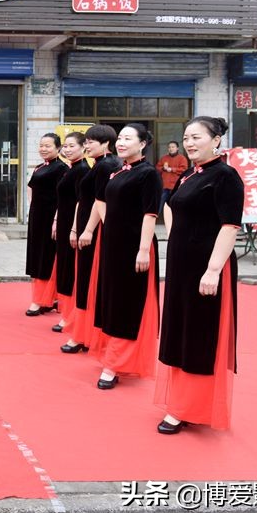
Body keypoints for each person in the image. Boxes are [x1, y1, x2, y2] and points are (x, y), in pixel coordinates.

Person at [155, 117, 243, 434]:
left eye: (197, 137)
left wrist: (213, 270)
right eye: (186, 137)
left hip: (207, 268)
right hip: (181, 267)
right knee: (180, 331)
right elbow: (173, 208)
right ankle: (179, 402)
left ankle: (188, 408)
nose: (190, 143)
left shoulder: (226, 176)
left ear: (216, 140)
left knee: (198, 336)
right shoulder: (191, 174)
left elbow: (230, 226)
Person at [91, 124, 162, 390]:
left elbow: (150, 213)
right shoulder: (119, 171)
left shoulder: (148, 174)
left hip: (135, 247)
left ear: (142, 143)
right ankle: (112, 355)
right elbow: (105, 204)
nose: (121, 142)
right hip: (113, 244)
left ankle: (115, 364)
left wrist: (143, 249)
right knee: (110, 299)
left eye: (127, 138)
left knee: (126, 303)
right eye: (119, 138)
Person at [63, 125, 120, 354]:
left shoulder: (106, 165)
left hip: (93, 229)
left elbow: (100, 201)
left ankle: (85, 336)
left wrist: (85, 231)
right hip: (89, 225)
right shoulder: (101, 164)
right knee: (85, 279)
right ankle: (84, 333)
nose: (87, 145)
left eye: (90, 142)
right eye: (85, 142)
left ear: (106, 143)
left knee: (88, 280)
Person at [25, 133, 67, 316]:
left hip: (52, 218)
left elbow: (63, 197)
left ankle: (43, 300)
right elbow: (31, 187)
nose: (43, 149)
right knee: (36, 255)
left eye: (48, 146)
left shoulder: (62, 168)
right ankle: (50, 298)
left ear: (58, 148)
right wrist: (31, 208)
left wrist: (57, 220)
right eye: (41, 145)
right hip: (37, 217)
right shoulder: (40, 167)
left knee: (47, 256)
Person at [51, 132, 89, 333]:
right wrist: (56, 220)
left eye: (71, 146)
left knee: (70, 268)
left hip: (74, 224)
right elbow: (62, 199)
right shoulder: (70, 169)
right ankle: (66, 313)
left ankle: (71, 316)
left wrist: (74, 228)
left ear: (83, 147)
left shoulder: (82, 170)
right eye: (65, 146)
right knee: (64, 266)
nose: (67, 149)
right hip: (64, 221)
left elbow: (80, 202)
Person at [156, 141, 188, 217]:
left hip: (176, 185)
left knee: (175, 203)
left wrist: (172, 169)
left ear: (177, 148)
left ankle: (177, 218)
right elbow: (157, 168)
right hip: (165, 185)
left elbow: (184, 170)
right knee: (160, 203)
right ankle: (155, 218)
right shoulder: (164, 158)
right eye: (169, 147)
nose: (171, 149)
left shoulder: (182, 158)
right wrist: (163, 168)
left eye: (173, 147)